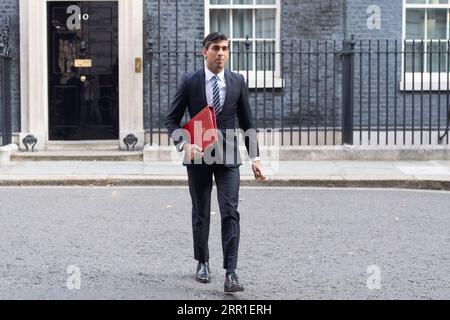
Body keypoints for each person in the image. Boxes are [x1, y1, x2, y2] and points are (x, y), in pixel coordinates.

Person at [165, 32, 266, 293]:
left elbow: (247, 122)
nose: (221, 53)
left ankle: (231, 272)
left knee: (230, 211)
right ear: (204, 52)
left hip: (229, 154)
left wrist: (255, 158)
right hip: (198, 154)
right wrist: (184, 144)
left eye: (225, 49)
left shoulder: (237, 81)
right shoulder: (190, 81)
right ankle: (203, 262)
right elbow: (171, 119)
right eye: (216, 49)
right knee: (200, 212)